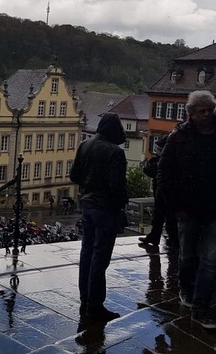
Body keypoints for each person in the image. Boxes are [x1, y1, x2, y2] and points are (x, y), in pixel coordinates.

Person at [156, 90, 216, 330]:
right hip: (187, 208)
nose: (207, 114)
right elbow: (164, 173)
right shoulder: (179, 138)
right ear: (191, 113)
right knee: (187, 255)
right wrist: (175, 206)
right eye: (202, 111)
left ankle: (201, 308)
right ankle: (186, 289)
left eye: (210, 110)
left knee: (211, 259)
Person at [69, 112, 128, 322]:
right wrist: (121, 206)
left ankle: (85, 299)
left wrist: (88, 185)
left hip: (87, 204)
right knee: (100, 256)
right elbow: (117, 187)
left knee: (87, 252)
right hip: (106, 208)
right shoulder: (115, 152)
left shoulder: (85, 145)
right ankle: (95, 305)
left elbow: (74, 175)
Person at [138, 135, 179, 249]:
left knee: (167, 215)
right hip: (163, 188)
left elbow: (151, 170)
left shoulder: (168, 160)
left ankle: (171, 240)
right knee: (160, 214)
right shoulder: (166, 158)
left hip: (166, 189)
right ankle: (159, 237)